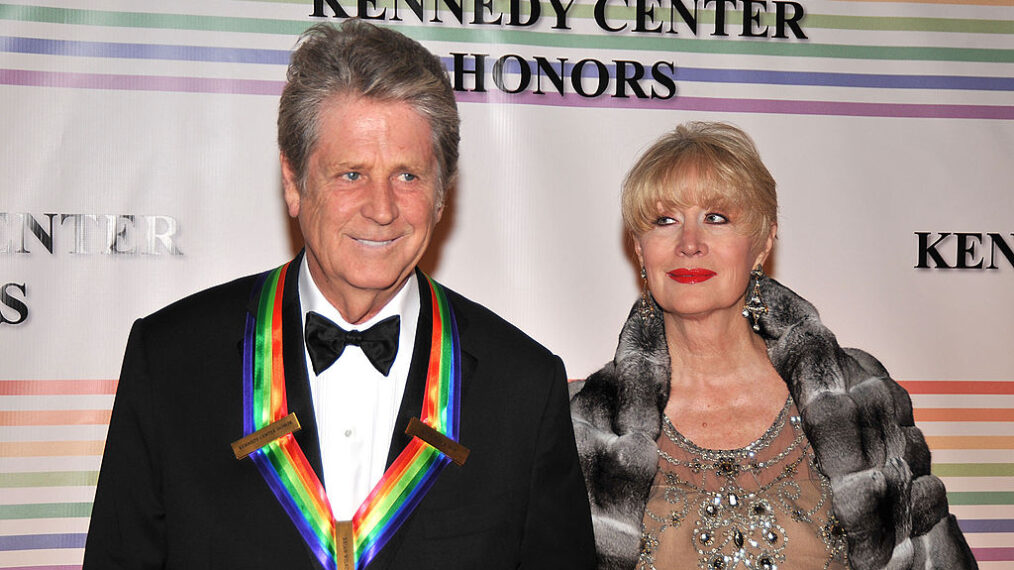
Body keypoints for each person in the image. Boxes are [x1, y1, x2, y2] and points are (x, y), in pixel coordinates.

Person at [84, 20, 594, 569]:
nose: (381, 208)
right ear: (293, 182)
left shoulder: (523, 385)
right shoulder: (171, 361)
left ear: (443, 193)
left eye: (408, 176)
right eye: (351, 174)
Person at [570, 122, 977, 570]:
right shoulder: (587, 426)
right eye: (665, 221)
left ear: (763, 243)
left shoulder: (860, 395)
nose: (689, 244)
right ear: (640, 249)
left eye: (717, 218)